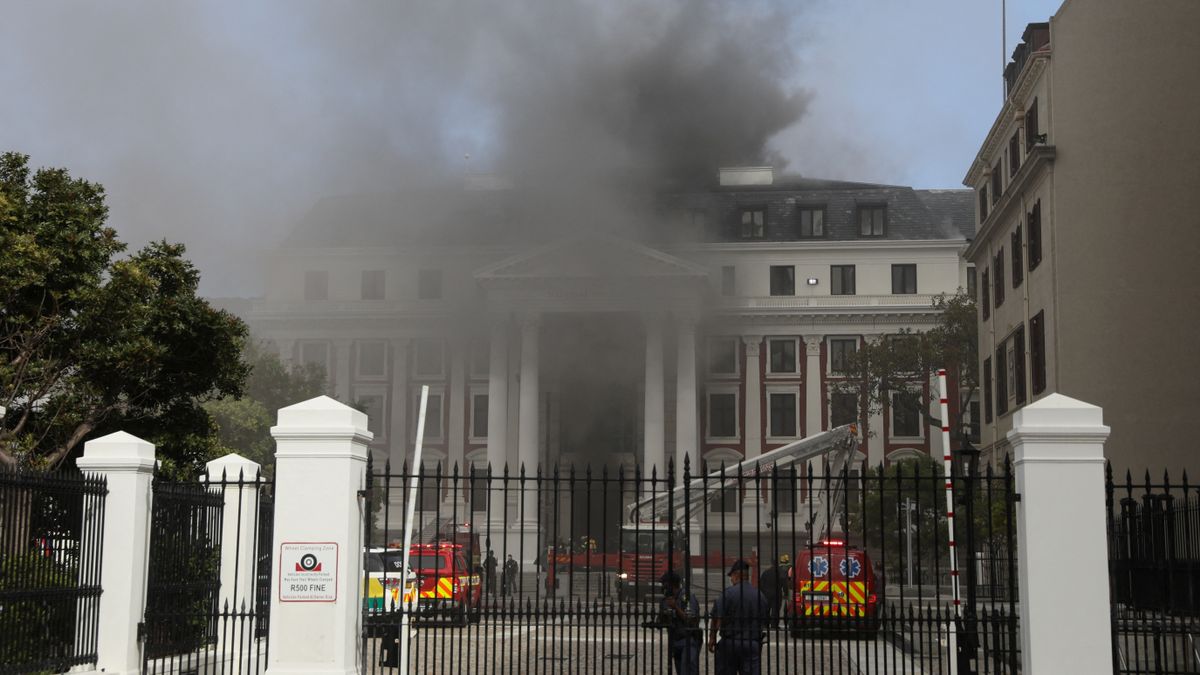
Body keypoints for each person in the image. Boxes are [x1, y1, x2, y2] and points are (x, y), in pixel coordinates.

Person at [709, 559, 769, 675]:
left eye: (731, 576)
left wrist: (712, 637)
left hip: (730, 643)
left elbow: (716, 617)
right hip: (752, 643)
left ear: (736, 575)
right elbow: (765, 620)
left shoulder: (728, 593)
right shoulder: (760, 595)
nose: (731, 579)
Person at [658, 570, 701, 675]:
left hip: (688, 640)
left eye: (665, 584)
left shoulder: (687, 597)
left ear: (671, 585)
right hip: (674, 641)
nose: (663, 587)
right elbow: (661, 623)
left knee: (688, 670)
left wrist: (675, 607)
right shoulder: (665, 600)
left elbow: (692, 620)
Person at [758, 554, 791, 629]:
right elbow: (784, 583)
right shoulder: (780, 572)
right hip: (776, 593)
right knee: (775, 610)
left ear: (771, 563)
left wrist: (761, 593)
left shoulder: (766, 572)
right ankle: (774, 625)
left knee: (766, 609)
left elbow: (761, 583)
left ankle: (765, 624)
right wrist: (786, 593)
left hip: (766, 593)